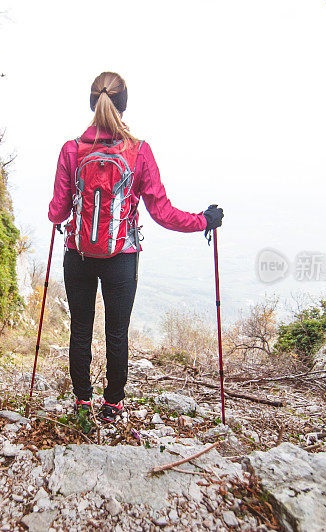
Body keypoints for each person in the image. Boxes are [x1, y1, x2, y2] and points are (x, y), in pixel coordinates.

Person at [48, 71, 223, 424]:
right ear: (124, 105)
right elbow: (162, 212)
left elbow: (58, 212)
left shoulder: (71, 150)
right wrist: (204, 221)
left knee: (80, 329)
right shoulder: (139, 151)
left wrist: (65, 215)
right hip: (121, 257)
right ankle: (113, 405)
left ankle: (82, 401)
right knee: (117, 331)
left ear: (91, 102)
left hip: (77, 254)